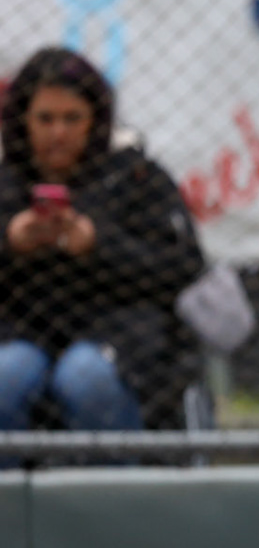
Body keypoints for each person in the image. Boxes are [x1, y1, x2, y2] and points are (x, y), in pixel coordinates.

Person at [0, 47, 205, 431]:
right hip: (17, 331)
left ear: (95, 121)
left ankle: (115, 490)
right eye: (45, 118)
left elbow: (182, 266)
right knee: (7, 377)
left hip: (119, 333)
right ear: (22, 120)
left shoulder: (136, 177)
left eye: (72, 118)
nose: (58, 132)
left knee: (85, 379)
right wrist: (10, 241)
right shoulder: (6, 180)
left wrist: (97, 245)